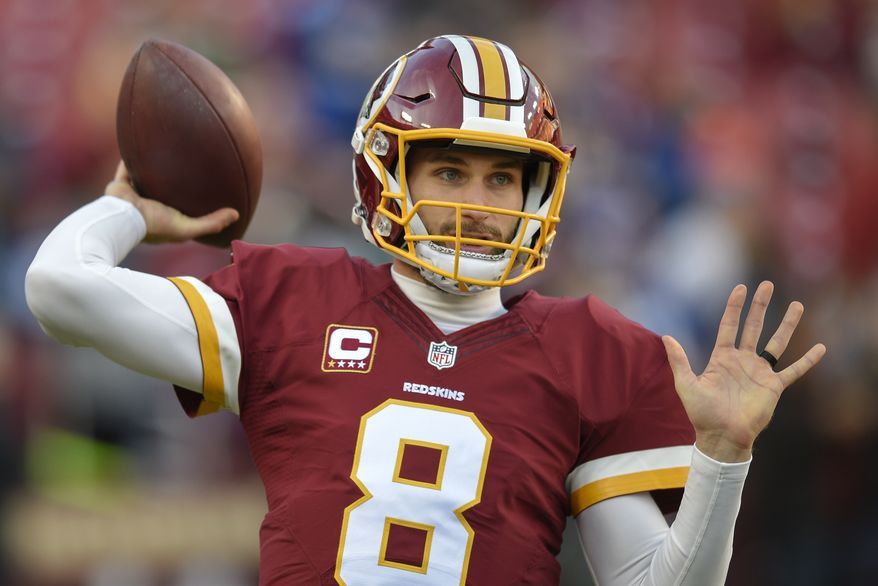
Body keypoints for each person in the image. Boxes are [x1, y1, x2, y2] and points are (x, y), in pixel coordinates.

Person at [25, 35, 825, 585]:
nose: (479, 202)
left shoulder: (590, 352)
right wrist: (129, 208)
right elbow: (59, 288)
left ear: (538, 192)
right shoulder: (293, 301)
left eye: (502, 178)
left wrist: (722, 458)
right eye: (449, 172)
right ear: (387, 176)